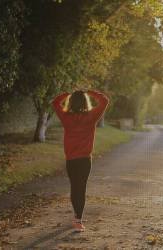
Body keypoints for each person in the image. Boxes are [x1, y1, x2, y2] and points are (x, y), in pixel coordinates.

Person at [51, 89, 109, 232]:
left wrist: (67, 93)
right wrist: (90, 92)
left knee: (74, 187)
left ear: (70, 102)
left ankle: (77, 217)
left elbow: (55, 102)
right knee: (81, 188)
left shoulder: (66, 117)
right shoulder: (91, 116)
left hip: (71, 160)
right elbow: (105, 101)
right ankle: (78, 219)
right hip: (84, 160)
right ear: (85, 102)